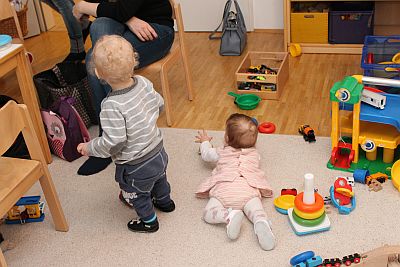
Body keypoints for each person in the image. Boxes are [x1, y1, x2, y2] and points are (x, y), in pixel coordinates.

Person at [77, 35, 175, 233]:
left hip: (136, 164)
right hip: (158, 150)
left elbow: (114, 142)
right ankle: (165, 202)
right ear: (135, 62)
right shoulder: (143, 82)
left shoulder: (111, 106)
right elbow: (160, 104)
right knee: (159, 178)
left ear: (98, 74)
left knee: (137, 193)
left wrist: (90, 148)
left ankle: (148, 220)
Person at [72, 0, 175, 176]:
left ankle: (120, 132)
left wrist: (81, 6)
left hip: (156, 29)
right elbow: (110, 7)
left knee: (95, 59)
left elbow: (120, 9)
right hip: (126, 22)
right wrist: (129, 19)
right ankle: (110, 134)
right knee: (99, 28)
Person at [195, 114, 276, 251]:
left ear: (226, 138)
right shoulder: (255, 154)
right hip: (248, 190)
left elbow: (206, 154)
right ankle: (261, 222)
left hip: (224, 190)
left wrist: (205, 142)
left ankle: (228, 216)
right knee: (257, 210)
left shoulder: (221, 151)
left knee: (208, 213)